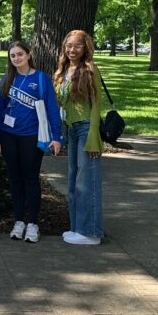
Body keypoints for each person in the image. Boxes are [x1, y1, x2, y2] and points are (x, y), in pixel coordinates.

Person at [0, 39, 62, 243]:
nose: (16, 58)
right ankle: (19, 221)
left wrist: (56, 136)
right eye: (12, 55)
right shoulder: (6, 79)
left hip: (32, 136)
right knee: (15, 179)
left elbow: (52, 109)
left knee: (30, 178)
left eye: (20, 54)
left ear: (29, 55)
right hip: (8, 136)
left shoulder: (41, 78)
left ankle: (33, 223)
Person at [54, 29, 104, 245]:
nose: (72, 50)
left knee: (87, 181)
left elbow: (96, 105)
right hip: (71, 129)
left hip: (86, 128)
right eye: (69, 45)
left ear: (86, 48)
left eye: (77, 46)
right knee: (74, 179)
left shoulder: (90, 69)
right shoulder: (64, 69)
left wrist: (94, 136)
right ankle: (77, 227)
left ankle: (91, 232)